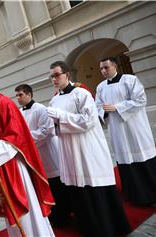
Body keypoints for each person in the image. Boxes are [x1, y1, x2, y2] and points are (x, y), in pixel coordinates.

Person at [47, 61, 131, 237]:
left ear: (67, 75)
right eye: (51, 76)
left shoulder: (81, 94)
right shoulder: (54, 99)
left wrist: (60, 116)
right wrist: (54, 122)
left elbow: (89, 121)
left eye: (57, 75)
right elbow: (54, 127)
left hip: (87, 149)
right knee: (78, 191)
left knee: (93, 187)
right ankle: (88, 226)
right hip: (69, 151)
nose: (54, 79)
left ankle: (106, 227)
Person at [0, 63, 55, 237]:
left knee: (24, 209)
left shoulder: (4, 104)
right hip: (0, 163)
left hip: (13, 165)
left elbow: (16, 135)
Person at [96, 56, 156, 206]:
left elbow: (141, 100)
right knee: (126, 162)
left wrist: (117, 107)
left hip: (135, 128)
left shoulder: (130, 80)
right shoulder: (100, 87)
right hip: (117, 130)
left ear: (115, 66)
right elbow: (97, 106)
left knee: (142, 158)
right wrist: (103, 111)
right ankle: (134, 195)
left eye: (106, 67)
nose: (103, 71)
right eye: (101, 68)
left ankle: (154, 194)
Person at [14, 84, 71, 227]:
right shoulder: (19, 112)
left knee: (56, 186)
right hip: (31, 155)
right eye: (17, 96)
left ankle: (63, 215)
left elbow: (46, 131)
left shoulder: (40, 109)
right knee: (41, 186)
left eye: (20, 95)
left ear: (29, 94)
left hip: (47, 153)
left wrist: (26, 139)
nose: (18, 98)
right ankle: (50, 214)